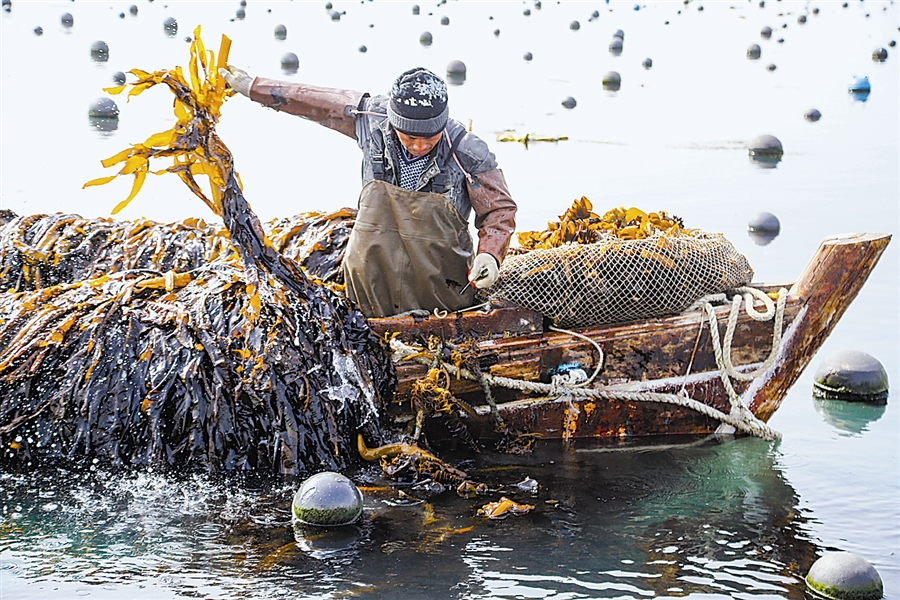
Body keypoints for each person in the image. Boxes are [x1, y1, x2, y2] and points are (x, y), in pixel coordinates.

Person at [219, 65, 517, 318]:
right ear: (393, 122)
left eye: (429, 138)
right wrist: (252, 88)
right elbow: (314, 101)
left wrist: (490, 255)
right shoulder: (368, 120)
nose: (419, 146)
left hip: (441, 286)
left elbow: (498, 211)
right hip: (370, 276)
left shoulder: (468, 151)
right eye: (410, 137)